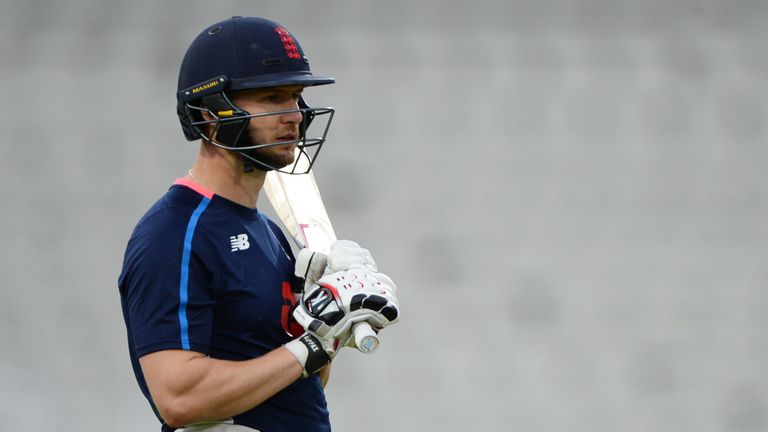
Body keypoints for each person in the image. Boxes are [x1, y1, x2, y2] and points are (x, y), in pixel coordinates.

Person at [118, 16, 400, 432]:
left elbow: (304, 383)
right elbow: (177, 397)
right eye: (272, 98)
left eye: (296, 96)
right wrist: (310, 344)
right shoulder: (174, 233)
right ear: (211, 113)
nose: (295, 116)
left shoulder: (269, 234)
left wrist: (329, 324)